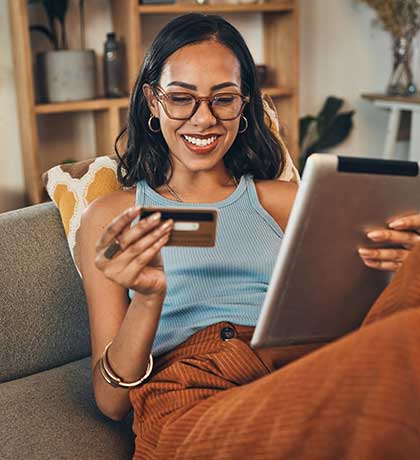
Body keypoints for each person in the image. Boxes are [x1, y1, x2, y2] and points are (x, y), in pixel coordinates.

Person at [79, 13, 420, 460]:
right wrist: (147, 300)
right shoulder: (112, 216)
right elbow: (111, 402)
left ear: (244, 105)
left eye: (223, 99)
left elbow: (345, 310)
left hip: (293, 367)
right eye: (182, 99)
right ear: (152, 101)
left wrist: (399, 266)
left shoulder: (287, 200)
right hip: (192, 395)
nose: (203, 120)